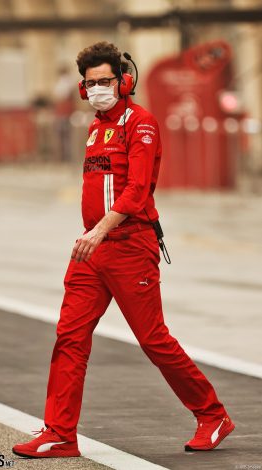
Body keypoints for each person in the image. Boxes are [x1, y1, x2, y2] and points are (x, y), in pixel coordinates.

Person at [12, 42, 235, 459]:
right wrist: (93, 234)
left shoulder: (141, 123)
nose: (98, 88)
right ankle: (60, 433)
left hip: (130, 245)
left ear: (124, 80)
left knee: (153, 339)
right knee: (69, 337)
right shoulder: (96, 127)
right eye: (91, 83)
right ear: (82, 88)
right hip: (92, 249)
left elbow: (136, 190)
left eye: (105, 81)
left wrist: (99, 230)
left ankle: (212, 414)